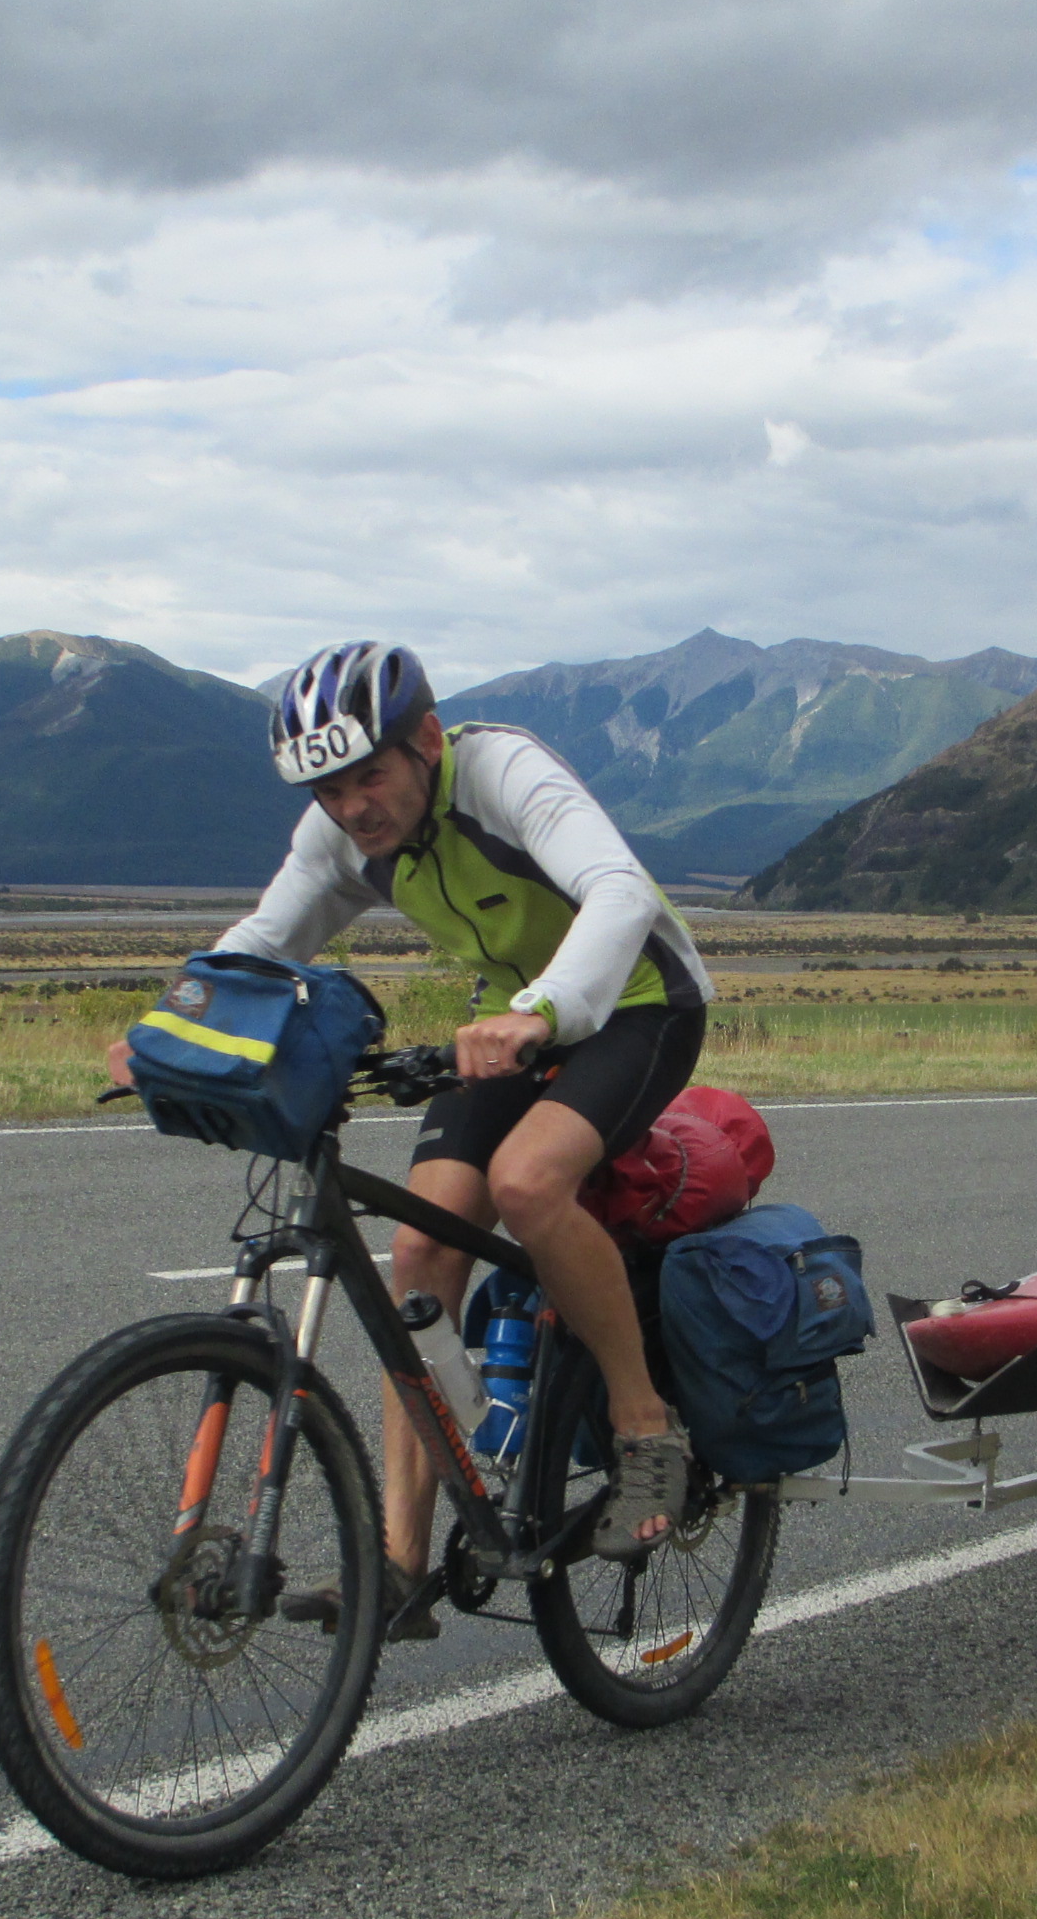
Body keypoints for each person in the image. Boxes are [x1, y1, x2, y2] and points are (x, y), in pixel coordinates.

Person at [106, 640, 712, 1638]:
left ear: (426, 739)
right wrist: (167, 1028)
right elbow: (264, 942)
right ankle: (397, 1564)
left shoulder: (503, 772)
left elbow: (620, 893)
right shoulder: (341, 832)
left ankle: (645, 1422)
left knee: (527, 1183)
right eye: (328, 789)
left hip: (638, 1002)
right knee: (422, 1251)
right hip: (511, 1014)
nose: (351, 807)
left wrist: (546, 1012)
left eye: (367, 777)